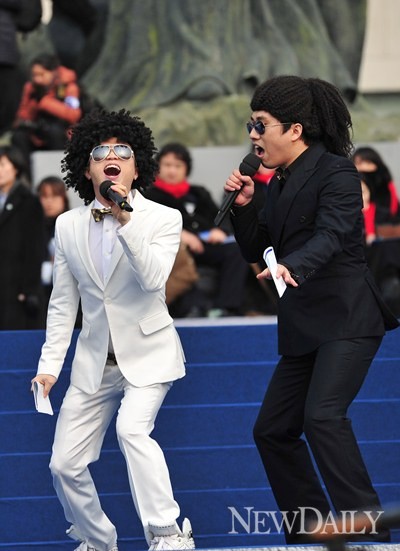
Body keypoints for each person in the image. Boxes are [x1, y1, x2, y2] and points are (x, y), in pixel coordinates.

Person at [223, 75, 399, 544]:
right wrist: (244, 206)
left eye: (261, 125)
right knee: (272, 430)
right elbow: (257, 248)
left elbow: (334, 233)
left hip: (346, 318)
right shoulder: (278, 182)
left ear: (295, 129)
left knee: (322, 416)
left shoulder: (337, 172)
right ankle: (314, 533)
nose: (253, 135)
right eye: (251, 125)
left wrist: (293, 266)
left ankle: (369, 533)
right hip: (304, 325)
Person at [31, 109, 195, 551]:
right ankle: (97, 539)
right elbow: (63, 303)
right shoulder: (68, 225)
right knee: (64, 464)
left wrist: (126, 219)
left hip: (149, 354)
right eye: (100, 152)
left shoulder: (163, 218)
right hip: (95, 362)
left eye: (122, 151)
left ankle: (167, 533)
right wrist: (49, 366)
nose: (111, 157)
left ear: (136, 167)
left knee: (131, 431)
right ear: (86, 169)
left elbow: (154, 280)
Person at [144, 142, 250, 317]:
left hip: (206, 244)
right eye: (167, 165)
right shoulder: (149, 196)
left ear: (186, 169)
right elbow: (147, 225)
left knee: (237, 250)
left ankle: (227, 308)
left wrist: (220, 231)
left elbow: (220, 216)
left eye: (178, 166)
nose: (172, 170)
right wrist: (180, 235)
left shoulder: (198, 193)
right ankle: (193, 308)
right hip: (176, 248)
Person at [11, 53, 82, 174]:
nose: (37, 79)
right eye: (34, 75)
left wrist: (45, 102)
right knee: (19, 136)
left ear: (54, 72)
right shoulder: (31, 88)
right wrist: (33, 103)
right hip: (37, 132)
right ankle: (28, 176)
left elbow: (74, 115)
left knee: (54, 133)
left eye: (42, 75)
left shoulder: (68, 86)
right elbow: (23, 115)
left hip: (63, 133)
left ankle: (60, 174)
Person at [0, 145, 45, 330]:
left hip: (15, 286)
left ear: (16, 168)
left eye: (2, 165)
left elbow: (35, 247)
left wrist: (29, 288)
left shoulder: (29, 201)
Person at [37, 175, 70, 312]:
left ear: (64, 198)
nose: (49, 202)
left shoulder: (72, 226)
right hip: (39, 298)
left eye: (55, 196)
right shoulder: (31, 229)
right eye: (44, 196)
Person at [352, 146, 400, 227]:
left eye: (367, 162)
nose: (363, 167)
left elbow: (393, 207)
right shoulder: (353, 180)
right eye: (358, 163)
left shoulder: (383, 181)